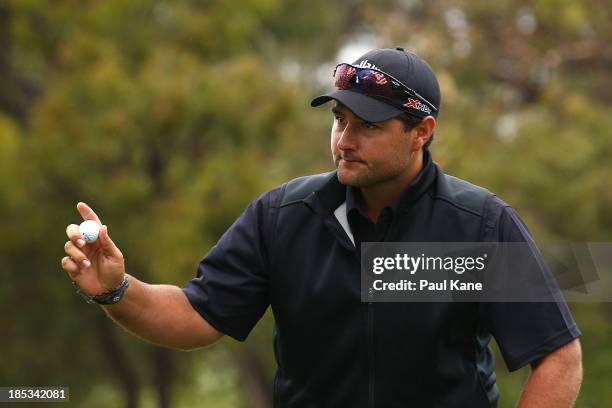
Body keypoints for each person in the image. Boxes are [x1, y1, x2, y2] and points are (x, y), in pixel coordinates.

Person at [61, 47, 582, 407]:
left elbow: (558, 355)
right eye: (340, 120)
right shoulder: (282, 216)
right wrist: (117, 292)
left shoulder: (480, 225)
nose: (344, 140)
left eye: (368, 127)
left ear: (422, 132)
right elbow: (198, 316)